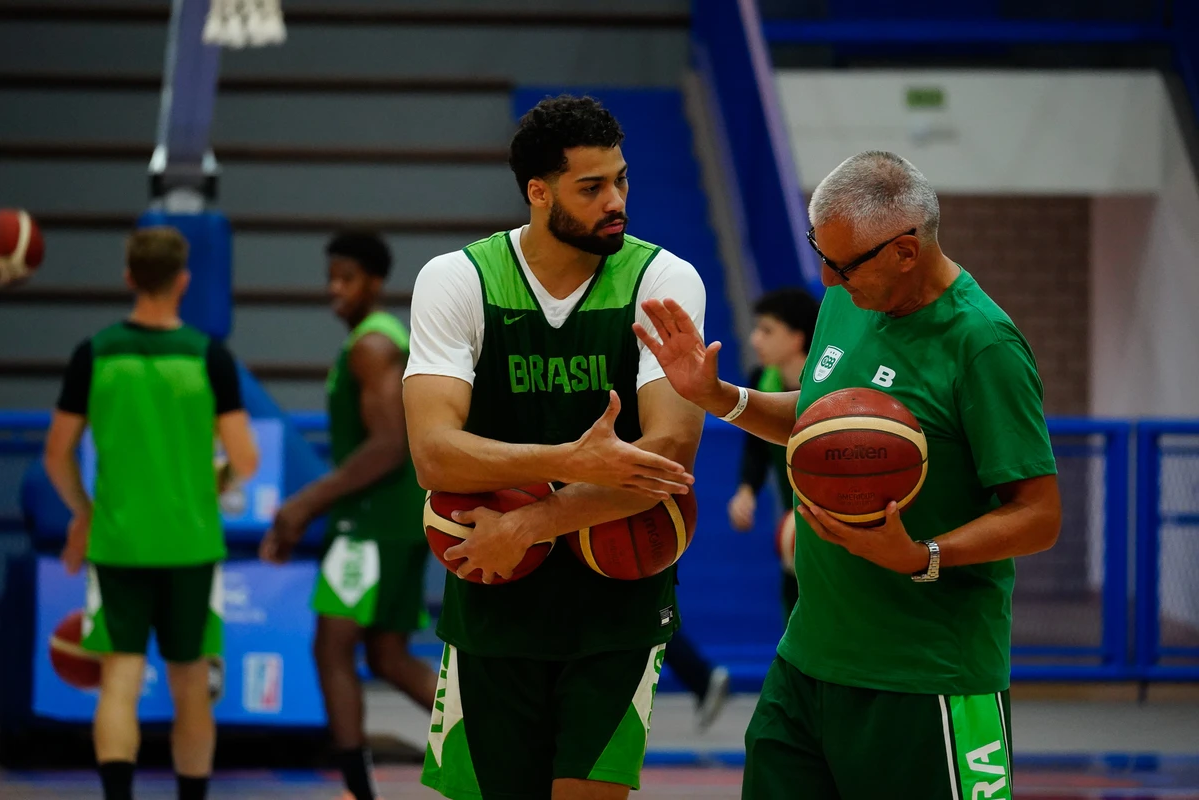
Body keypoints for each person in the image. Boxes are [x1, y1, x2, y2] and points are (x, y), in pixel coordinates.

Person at [636, 150, 1062, 800]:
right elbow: (819, 433)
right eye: (820, 253)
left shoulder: (983, 345)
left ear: (905, 251)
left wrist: (921, 555)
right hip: (808, 661)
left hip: (929, 676)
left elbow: (1038, 515)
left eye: (842, 263)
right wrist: (719, 396)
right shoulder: (847, 301)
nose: (827, 280)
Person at [403, 94, 706, 800]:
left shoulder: (662, 280)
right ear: (539, 193)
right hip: (492, 600)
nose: (616, 201)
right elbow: (434, 455)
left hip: (619, 609)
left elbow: (670, 456)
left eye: (622, 180)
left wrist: (535, 520)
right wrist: (568, 460)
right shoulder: (458, 280)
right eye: (592, 187)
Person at [42, 226, 259, 800]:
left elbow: (56, 454)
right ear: (183, 281)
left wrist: (83, 511)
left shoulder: (94, 353)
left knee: (119, 680)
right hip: (190, 545)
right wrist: (219, 476)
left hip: (118, 544)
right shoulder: (209, 357)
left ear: (128, 277)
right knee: (191, 683)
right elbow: (246, 459)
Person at [259, 232, 436, 800]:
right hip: (398, 518)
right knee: (386, 656)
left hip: (371, 523)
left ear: (376, 283)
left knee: (331, 647)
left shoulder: (372, 346)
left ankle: (357, 792)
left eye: (348, 278)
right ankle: (503, 741)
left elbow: (388, 444)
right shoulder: (381, 340)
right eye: (331, 277)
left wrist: (306, 501)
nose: (335, 289)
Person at [727, 287, 819, 622]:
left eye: (767, 330)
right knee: (793, 604)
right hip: (793, 523)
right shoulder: (762, 380)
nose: (754, 340)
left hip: (839, 518)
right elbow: (756, 447)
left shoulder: (833, 386)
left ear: (797, 338)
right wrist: (746, 490)